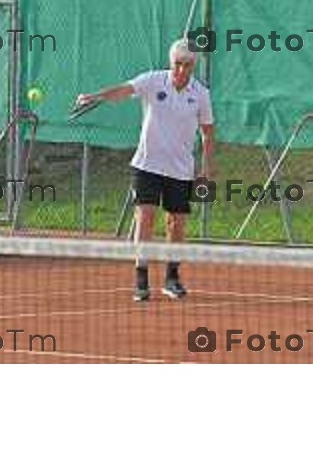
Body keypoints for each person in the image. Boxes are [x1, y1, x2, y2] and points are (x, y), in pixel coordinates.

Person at [75, 38, 214, 301]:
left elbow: (207, 133)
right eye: (178, 64)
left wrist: (206, 170)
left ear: (193, 65)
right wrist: (96, 96)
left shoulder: (201, 94)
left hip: (180, 169)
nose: (182, 70)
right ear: (170, 62)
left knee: (176, 223)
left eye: (188, 65)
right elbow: (124, 90)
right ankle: (141, 279)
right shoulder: (153, 81)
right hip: (147, 164)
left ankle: (172, 279)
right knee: (146, 216)